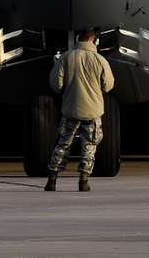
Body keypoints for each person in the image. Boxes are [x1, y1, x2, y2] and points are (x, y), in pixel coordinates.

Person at [44, 27, 115, 192]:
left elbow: (56, 84)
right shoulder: (100, 60)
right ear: (94, 40)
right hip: (92, 111)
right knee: (89, 146)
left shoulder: (66, 58)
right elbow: (108, 85)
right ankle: (83, 181)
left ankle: (52, 180)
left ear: (77, 39)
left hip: (70, 110)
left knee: (62, 145)